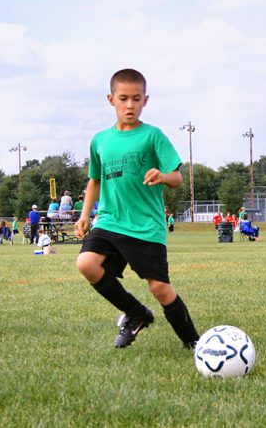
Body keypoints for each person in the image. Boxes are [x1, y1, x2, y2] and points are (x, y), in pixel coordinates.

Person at [74, 68, 200, 350]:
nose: (129, 105)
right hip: (109, 220)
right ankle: (136, 313)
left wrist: (163, 176)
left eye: (136, 98)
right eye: (123, 98)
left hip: (145, 225)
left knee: (159, 288)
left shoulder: (153, 136)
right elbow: (95, 180)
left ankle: (193, 342)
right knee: (86, 263)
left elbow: (177, 178)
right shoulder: (100, 140)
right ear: (111, 99)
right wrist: (85, 215)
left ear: (145, 100)